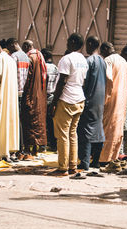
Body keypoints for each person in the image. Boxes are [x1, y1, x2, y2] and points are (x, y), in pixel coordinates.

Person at [50, 33, 88, 176]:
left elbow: (62, 81)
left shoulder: (67, 59)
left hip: (67, 99)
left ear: (72, 42)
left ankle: (63, 167)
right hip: (79, 98)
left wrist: (54, 102)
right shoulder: (83, 60)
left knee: (63, 135)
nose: (66, 44)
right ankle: (72, 166)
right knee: (73, 134)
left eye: (67, 41)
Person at [76, 36, 106, 170]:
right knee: (98, 130)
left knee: (85, 131)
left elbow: (84, 81)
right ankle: (96, 161)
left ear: (90, 44)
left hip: (89, 99)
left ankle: (85, 162)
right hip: (100, 100)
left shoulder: (89, 61)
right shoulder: (102, 61)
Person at [0, 43, 20, 162]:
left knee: (0, 123)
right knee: (9, 124)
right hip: (11, 97)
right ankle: (10, 151)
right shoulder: (11, 59)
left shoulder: (0, 59)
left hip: (0, 96)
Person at [99, 42, 127, 164]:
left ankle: (104, 158)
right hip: (121, 100)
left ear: (105, 49)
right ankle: (113, 157)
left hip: (111, 100)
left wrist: (103, 99)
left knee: (107, 128)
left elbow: (108, 80)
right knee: (116, 130)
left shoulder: (108, 60)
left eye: (102, 51)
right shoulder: (123, 60)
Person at [20, 40, 48, 160]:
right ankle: (36, 149)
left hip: (31, 93)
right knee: (38, 120)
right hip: (40, 94)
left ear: (27, 46)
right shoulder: (40, 56)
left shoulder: (30, 58)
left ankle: (28, 150)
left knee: (29, 121)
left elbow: (27, 77)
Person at [7, 38, 30, 160]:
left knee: (15, 122)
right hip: (24, 92)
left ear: (13, 45)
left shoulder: (13, 57)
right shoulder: (27, 57)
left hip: (15, 92)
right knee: (22, 120)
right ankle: (23, 149)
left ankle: (17, 148)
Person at [41, 48, 59, 151]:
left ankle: (43, 144)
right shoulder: (56, 68)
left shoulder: (43, 67)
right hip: (53, 97)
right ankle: (53, 144)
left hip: (44, 98)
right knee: (52, 123)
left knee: (43, 123)